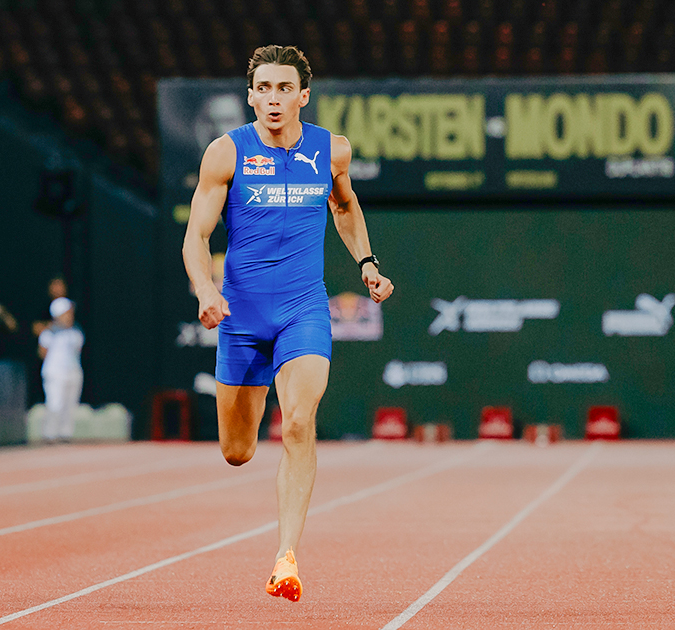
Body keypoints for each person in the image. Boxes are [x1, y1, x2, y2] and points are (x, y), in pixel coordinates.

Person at [182, 45, 394, 601]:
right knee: (238, 451)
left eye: (284, 90)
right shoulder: (225, 154)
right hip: (241, 315)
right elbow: (197, 235)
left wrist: (367, 264)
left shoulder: (332, 151)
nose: (273, 100)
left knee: (299, 422)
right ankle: (248, 446)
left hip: (303, 309)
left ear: (304, 96)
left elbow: (345, 208)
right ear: (250, 95)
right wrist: (207, 289)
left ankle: (286, 557)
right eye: (263, 89)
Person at [38, 297, 84, 443]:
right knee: (55, 403)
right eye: (66, 313)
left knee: (70, 405)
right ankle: (50, 434)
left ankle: (65, 434)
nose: (70, 316)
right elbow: (42, 352)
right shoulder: (49, 333)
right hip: (55, 372)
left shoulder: (76, 332)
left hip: (73, 371)